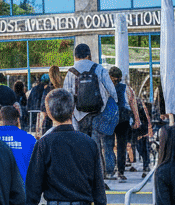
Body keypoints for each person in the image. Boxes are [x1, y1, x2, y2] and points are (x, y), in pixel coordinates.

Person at [60, 43, 116, 173]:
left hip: (79, 116)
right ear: (89, 55)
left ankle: (83, 175)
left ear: (75, 56)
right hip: (98, 113)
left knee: (81, 146)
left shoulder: (71, 72)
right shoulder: (99, 68)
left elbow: (66, 95)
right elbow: (112, 91)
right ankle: (99, 176)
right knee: (96, 146)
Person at [108, 66, 142, 182]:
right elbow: (133, 104)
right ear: (120, 77)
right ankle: (120, 171)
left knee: (109, 145)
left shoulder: (105, 87)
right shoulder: (126, 88)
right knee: (122, 146)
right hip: (124, 119)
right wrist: (137, 119)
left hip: (109, 119)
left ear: (109, 76)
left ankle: (110, 170)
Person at [129, 84, 154, 177]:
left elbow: (146, 114)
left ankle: (146, 165)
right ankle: (144, 164)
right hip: (135, 127)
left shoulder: (138, 102)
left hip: (141, 126)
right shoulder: (130, 103)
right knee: (139, 147)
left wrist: (149, 126)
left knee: (142, 147)